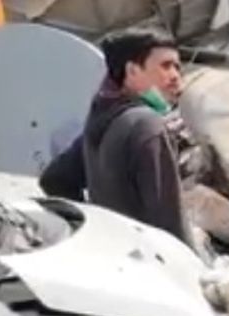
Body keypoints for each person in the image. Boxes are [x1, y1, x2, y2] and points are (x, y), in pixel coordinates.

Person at [38, 29, 191, 246]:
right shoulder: (146, 125)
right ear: (132, 70)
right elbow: (169, 221)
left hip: (115, 255)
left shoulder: (102, 117)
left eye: (177, 67)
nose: (176, 76)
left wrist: (91, 226)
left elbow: (54, 179)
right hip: (152, 264)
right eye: (165, 66)